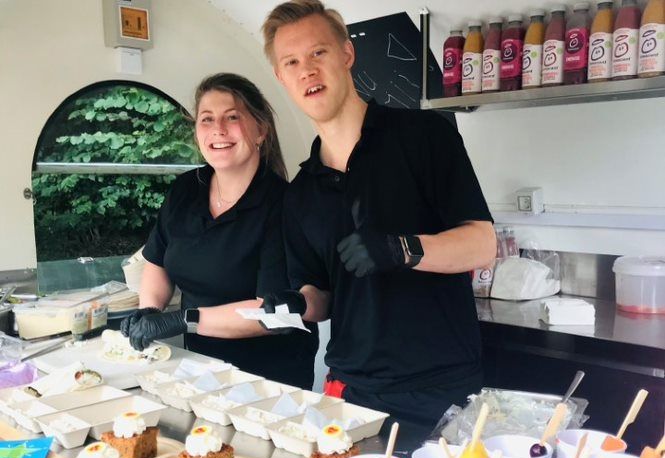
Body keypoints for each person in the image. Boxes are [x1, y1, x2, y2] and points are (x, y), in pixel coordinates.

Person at [259, 1, 496, 425]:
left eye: (318, 53)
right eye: (291, 62)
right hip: (350, 390)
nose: (307, 70)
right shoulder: (299, 194)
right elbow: (323, 295)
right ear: (282, 78)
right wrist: (296, 303)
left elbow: (482, 244)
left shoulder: (425, 136)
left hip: (441, 387)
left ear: (347, 54)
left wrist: (401, 249)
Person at [120, 73, 318, 389]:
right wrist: (150, 311)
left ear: (260, 131)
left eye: (232, 117)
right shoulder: (185, 190)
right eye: (207, 119)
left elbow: (270, 312)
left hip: (271, 377)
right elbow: (157, 262)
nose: (218, 130)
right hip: (201, 367)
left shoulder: (283, 203)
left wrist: (182, 320)